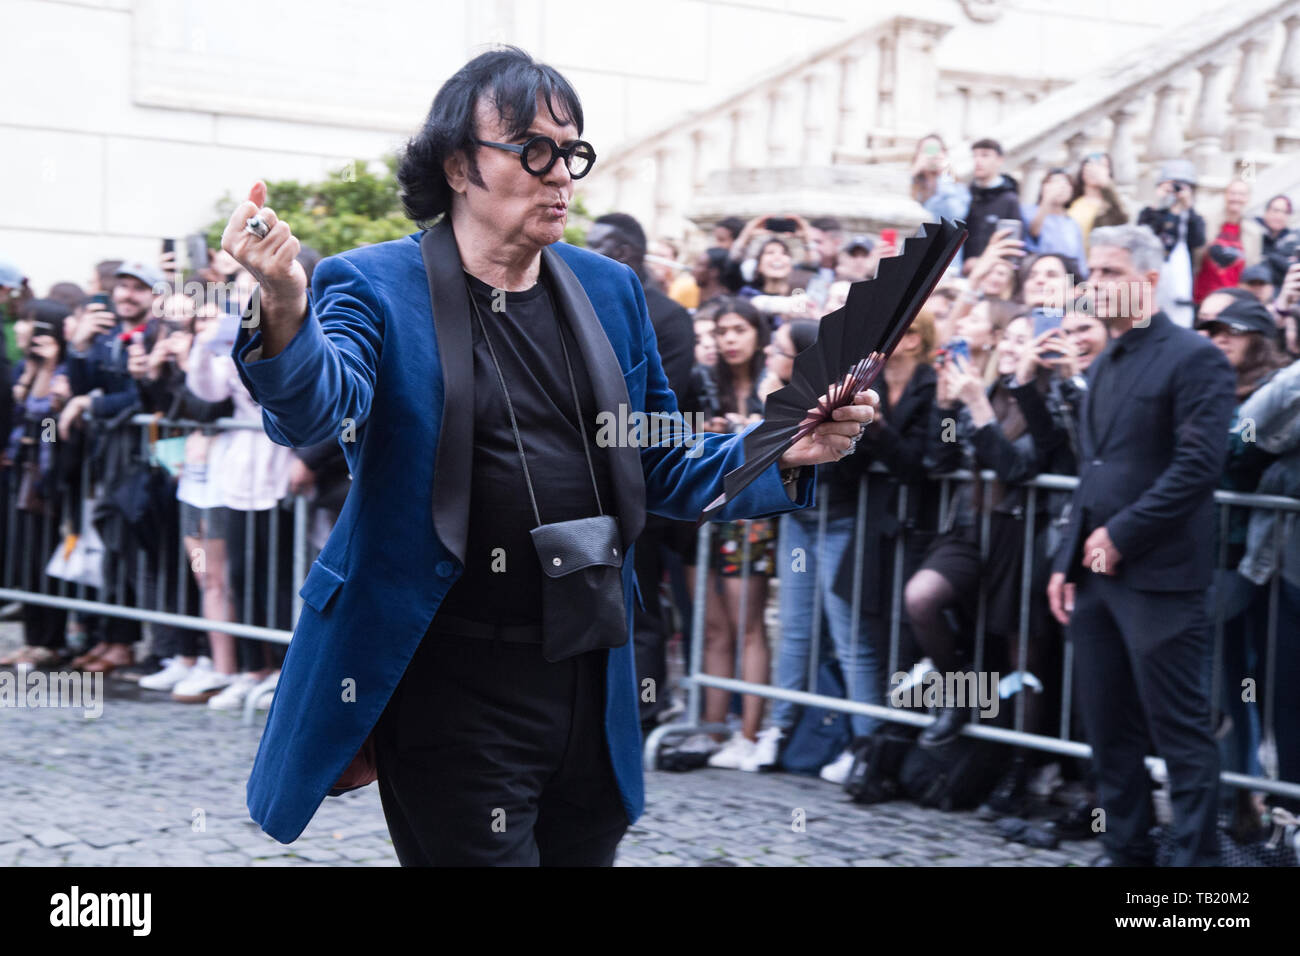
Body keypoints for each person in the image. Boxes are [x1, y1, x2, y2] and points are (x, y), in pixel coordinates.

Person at [222, 46, 876, 864]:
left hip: (590, 674)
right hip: (448, 678)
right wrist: (284, 304)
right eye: (534, 150)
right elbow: (317, 405)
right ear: (460, 165)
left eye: (572, 152)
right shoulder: (372, 283)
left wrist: (786, 446)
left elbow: (661, 460)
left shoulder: (609, 289)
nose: (561, 174)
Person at [1046, 224, 1236, 867]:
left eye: (1108, 273)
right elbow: (1092, 472)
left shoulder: (1196, 357)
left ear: (1148, 281)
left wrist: (1121, 536)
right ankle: (1126, 851)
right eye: (1090, 272)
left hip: (1161, 576)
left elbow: (1197, 467)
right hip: (1097, 578)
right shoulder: (1102, 363)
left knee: (1179, 730)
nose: (1093, 285)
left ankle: (1195, 870)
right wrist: (1065, 562)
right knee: (1107, 727)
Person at [586, 212, 696, 731]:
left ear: (625, 252)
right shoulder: (582, 302)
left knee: (643, 600)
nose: (582, 252)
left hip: (643, 482)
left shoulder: (669, 316)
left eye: (598, 246)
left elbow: (655, 403)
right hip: (589, 483)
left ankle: (645, 710)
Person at [693, 298, 781, 771]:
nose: (728, 339)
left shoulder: (775, 388)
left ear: (757, 334)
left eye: (738, 330)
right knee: (714, 626)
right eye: (721, 330)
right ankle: (712, 729)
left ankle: (748, 732)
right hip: (709, 517)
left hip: (752, 518)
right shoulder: (708, 384)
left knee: (748, 623)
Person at [1138, 159, 1206, 328]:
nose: (1175, 191)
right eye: (1171, 185)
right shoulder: (1150, 213)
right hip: (1153, 283)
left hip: (1179, 289)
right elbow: (1142, 237)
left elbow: (1198, 240)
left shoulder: (1192, 218)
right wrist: (1158, 203)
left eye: (1181, 186)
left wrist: (1187, 206)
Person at [1193, 179, 1257, 304]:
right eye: (1233, 193)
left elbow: (1251, 269)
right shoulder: (1207, 222)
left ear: (1248, 198)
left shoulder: (1254, 233)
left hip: (1233, 301)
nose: (1236, 198)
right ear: (1225, 195)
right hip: (1203, 297)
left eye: (1241, 194)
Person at [962, 138, 1022, 269]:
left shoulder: (1009, 199)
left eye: (985, 155)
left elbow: (1012, 246)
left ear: (1000, 160)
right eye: (975, 156)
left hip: (993, 272)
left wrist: (982, 263)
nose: (978, 161)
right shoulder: (965, 195)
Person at [1022, 168, 1087, 277]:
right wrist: (1047, 200)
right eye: (1055, 182)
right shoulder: (1027, 211)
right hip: (1040, 276)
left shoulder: (1072, 223)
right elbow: (1033, 233)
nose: (1060, 187)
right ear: (1043, 187)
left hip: (1068, 279)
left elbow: (1080, 260)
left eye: (1066, 184)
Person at [1067, 152, 1128, 253]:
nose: (1096, 170)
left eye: (1102, 166)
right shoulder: (1072, 203)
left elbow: (1124, 219)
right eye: (1092, 166)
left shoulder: (1114, 204)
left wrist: (1106, 185)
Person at [910, 133, 969, 223]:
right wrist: (913, 173)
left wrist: (943, 175)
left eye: (936, 150)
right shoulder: (911, 181)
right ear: (917, 154)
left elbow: (955, 215)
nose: (932, 155)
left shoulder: (956, 187)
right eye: (927, 150)